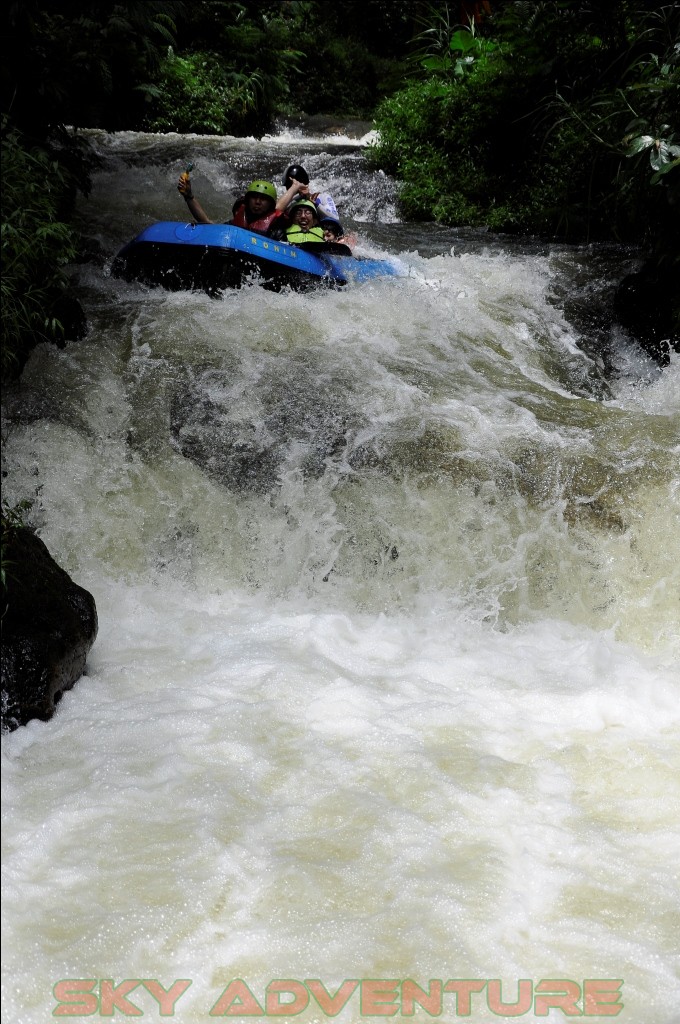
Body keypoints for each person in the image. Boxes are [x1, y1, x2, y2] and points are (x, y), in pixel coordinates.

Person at [177, 172, 305, 235]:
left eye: (263, 199)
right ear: (247, 200)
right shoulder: (237, 221)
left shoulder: (277, 225)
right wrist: (189, 196)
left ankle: (295, 187)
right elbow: (207, 222)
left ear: (270, 204)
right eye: (254, 197)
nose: (258, 202)